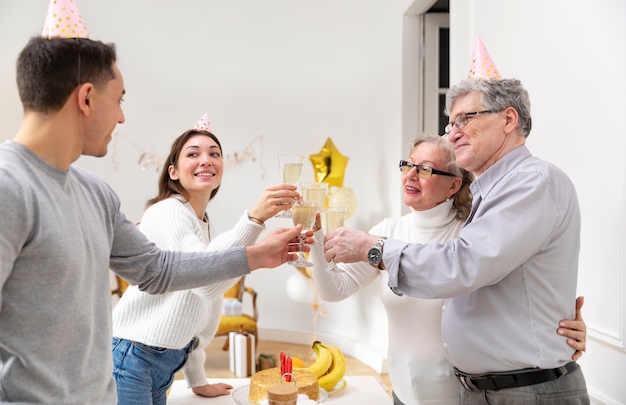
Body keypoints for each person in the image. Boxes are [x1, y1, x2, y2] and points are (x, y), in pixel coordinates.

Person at [0, 35, 308, 405]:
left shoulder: (96, 194)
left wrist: (257, 255)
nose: (121, 116)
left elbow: (157, 270)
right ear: (86, 98)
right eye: (119, 99)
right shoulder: (9, 188)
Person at [323, 78, 589, 403]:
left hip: (524, 391)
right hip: (479, 391)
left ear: (508, 119)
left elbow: (463, 265)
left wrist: (373, 248)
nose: (453, 132)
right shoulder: (488, 198)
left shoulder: (530, 182)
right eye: (451, 123)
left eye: (465, 118)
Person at [112, 127, 299, 404]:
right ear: (173, 172)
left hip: (158, 360)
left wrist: (198, 380)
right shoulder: (168, 211)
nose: (206, 159)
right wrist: (254, 220)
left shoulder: (199, 220)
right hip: (133, 356)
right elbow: (207, 285)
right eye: (193, 153)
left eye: (214, 153)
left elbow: (200, 308)